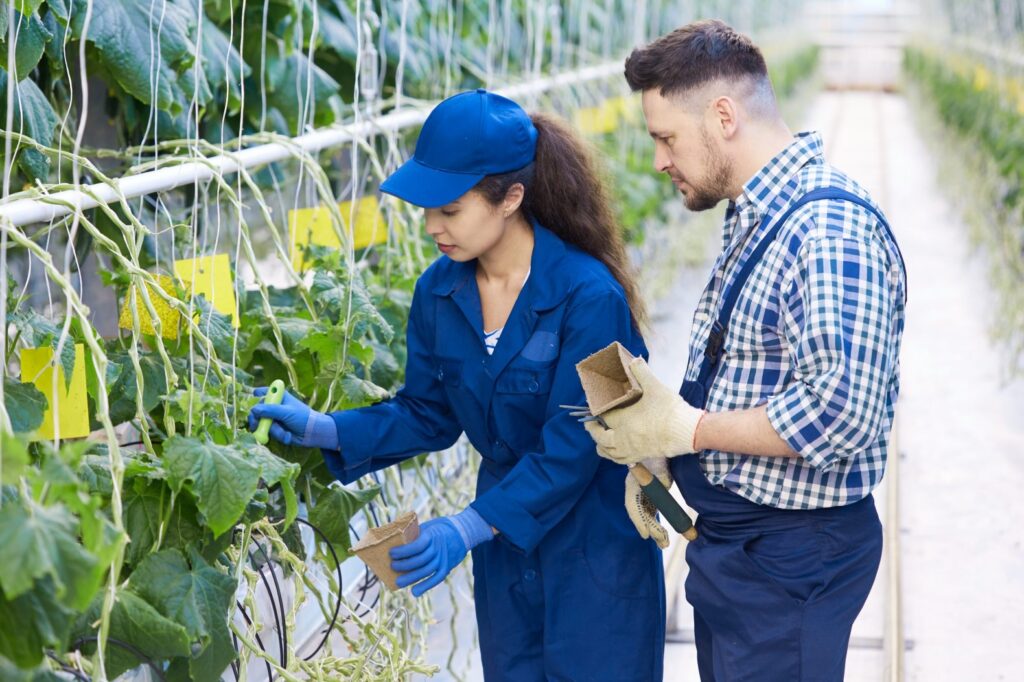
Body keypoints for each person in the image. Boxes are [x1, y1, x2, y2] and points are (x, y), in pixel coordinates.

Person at [248, 89, 665, 681]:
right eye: (426, 210)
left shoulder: (589, 296)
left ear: (510, 198)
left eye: (450, 209)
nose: (432, 227)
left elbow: (574, 443)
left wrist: (467, 526)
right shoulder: (439, 292)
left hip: (592, 548)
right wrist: (329, 428)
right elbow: (429, 412)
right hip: (505, 552)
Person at [583, 20, 908, 682]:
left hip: (792, 559)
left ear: (723, 115)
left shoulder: (827, 228)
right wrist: (669, 459)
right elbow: (742, 365)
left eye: (666, 137)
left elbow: (841, 412)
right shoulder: (757, 212)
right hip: (748, 553)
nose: (659, 160)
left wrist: (692, 429)